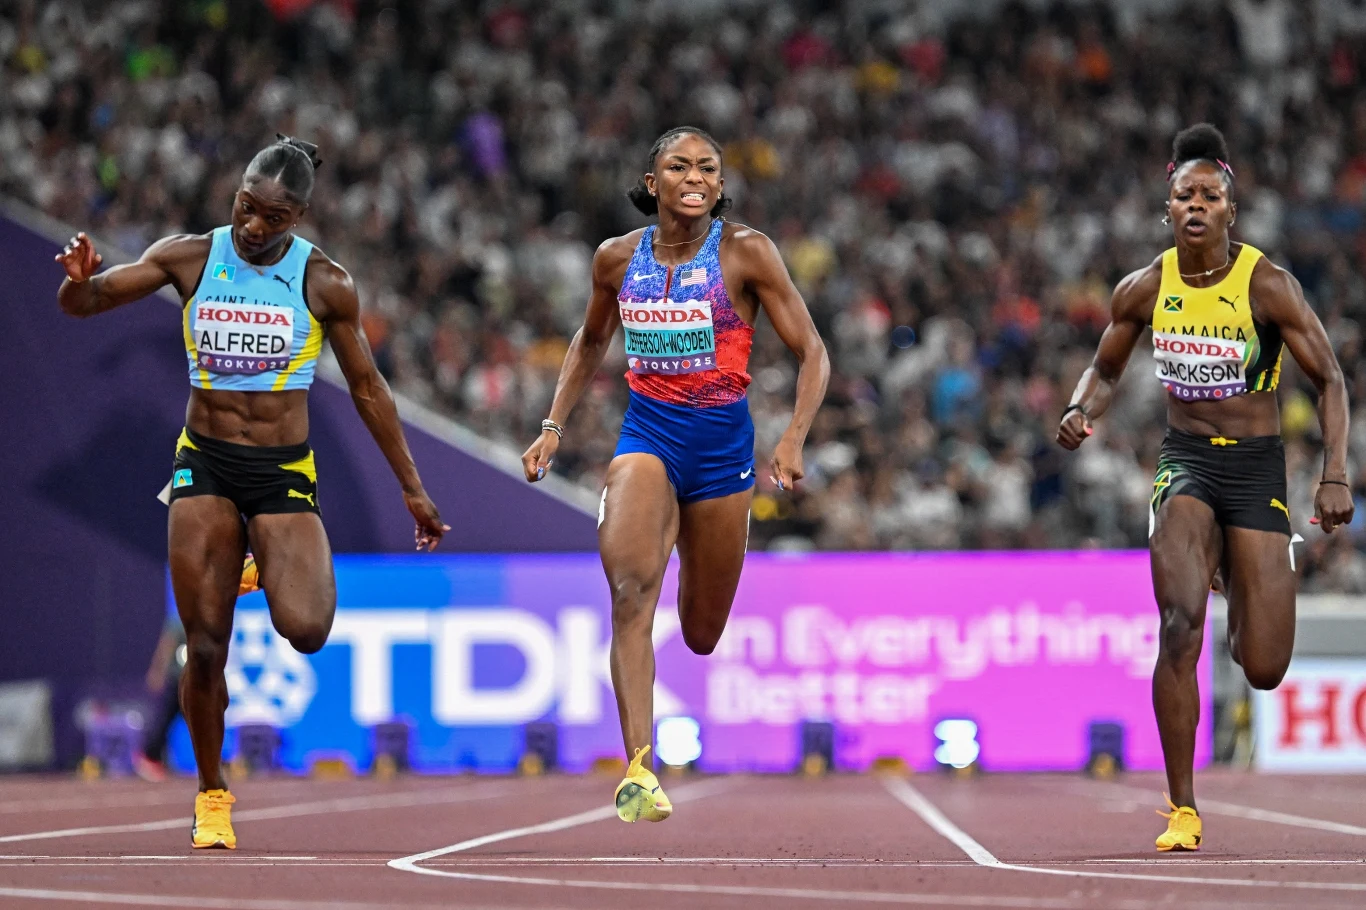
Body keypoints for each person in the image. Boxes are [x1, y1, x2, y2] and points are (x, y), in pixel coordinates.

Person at [56, 135, 449, 849]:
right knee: (203, 649)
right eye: (245, 207)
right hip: (202, 463)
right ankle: (211, 794)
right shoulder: (191, 256)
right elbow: (87, 302)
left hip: (280, 471)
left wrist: (411, 488)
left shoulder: (325, 283)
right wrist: (78, 281)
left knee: (308, 628)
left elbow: (368, 387)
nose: (252, 227)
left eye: (271, 217)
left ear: (296, 217)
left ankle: (254, 557)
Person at [1057, 124, 1354, 851]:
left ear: (1230, 210)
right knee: (1177, 625)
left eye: (1210, 195)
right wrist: (1079, 408)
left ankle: (1241, 574)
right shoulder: (1145, 287)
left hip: (1256, 470)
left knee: (1263, 667)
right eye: (1184, 194)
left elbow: (1331, 380)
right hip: (1184, 461)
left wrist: (1336, 473)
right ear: (1168, 209)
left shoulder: (1268, 285)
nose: (1196, 205)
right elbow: (1104, 368)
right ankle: (1183, 808)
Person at [521, 126, 829, 822]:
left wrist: (793, 440)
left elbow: (812, 351)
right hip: (648, 437)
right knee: (629, 592)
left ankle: (697, 552)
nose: (694, 176)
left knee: (700, 632)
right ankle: (638, 769)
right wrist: (552, 424)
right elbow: (593, 337)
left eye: (708, 168)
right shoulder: (616, 259)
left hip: (723, 458)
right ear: (651, 181)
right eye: (678, 165)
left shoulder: (747, 252)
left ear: (720, 186)